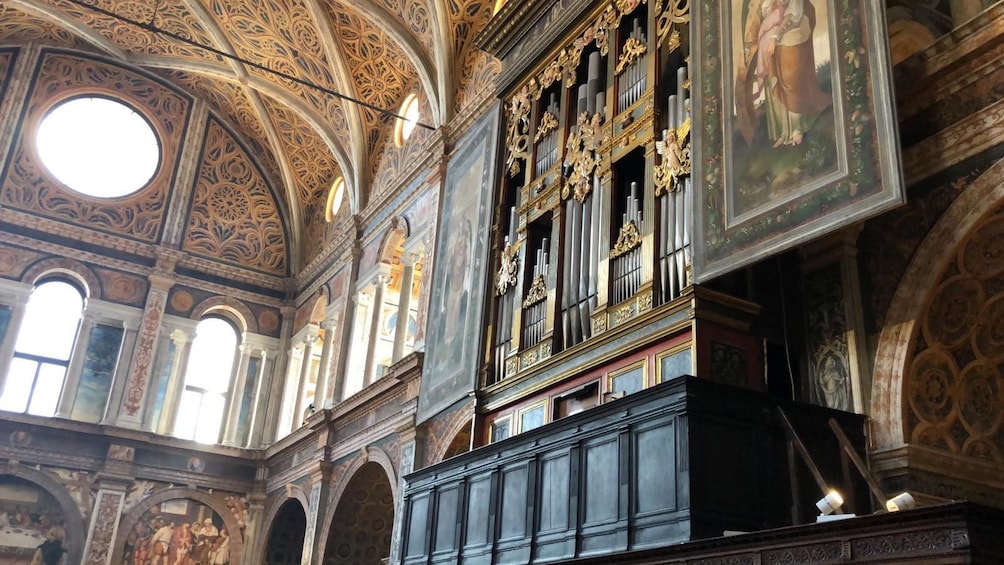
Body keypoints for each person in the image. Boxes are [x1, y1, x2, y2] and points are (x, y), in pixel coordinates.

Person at [737, 0, 831, 147]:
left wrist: (776, 37)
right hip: (773, 34)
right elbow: (763, 13)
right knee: (771, 72)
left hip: (793, 27)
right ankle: (783, 131)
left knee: (790, 76)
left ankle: (796, 127)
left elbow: (794, 15)